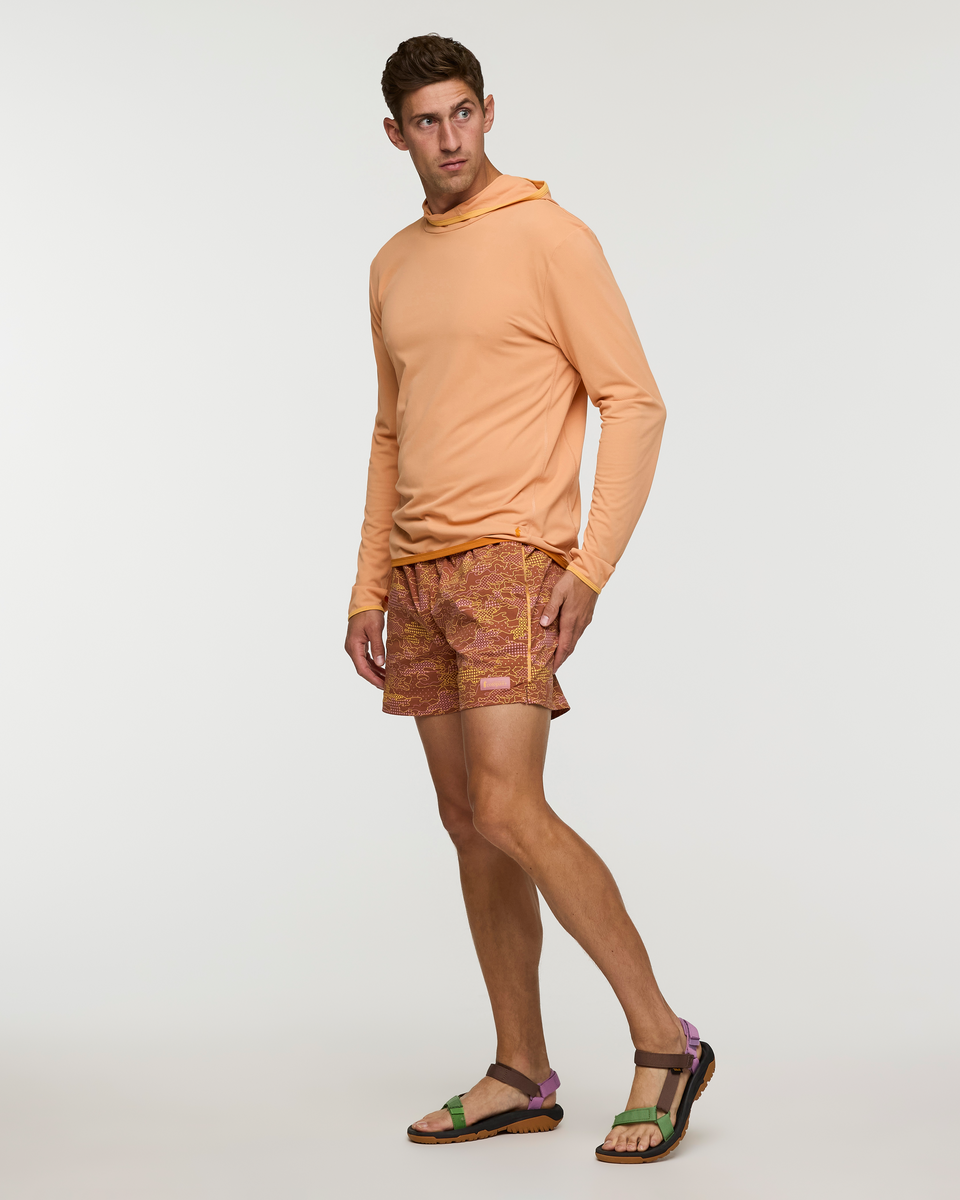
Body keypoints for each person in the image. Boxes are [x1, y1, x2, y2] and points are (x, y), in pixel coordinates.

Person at [343, 33, 713, 1164]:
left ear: (490, 112)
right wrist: (367, 585)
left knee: (509, 807)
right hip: (418, 574)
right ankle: (521, 1070)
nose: (448, 138)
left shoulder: (552, 237)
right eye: (426, 121)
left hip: (511, 559)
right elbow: (391, 431)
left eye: (463, 113)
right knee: (468, 823)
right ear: (395, 134)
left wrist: (588, 568)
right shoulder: (392, 265)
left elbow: (634, 402)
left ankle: (665, 1041)